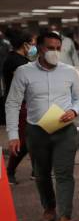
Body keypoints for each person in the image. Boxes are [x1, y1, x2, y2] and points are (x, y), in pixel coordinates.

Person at [5, 31, 79, 221]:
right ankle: (49, 207)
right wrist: (14, 135)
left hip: (64, 131)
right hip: (36, 131)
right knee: (41, 174)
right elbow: (12, 103)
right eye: (50, 48)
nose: (55, 52)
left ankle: (65, 215)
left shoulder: (69, 72)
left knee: (64, 173)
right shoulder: (24, 72)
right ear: (39, 48)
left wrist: (73, 110)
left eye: (58, 48)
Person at [2, 29, 36, 184]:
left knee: (35, 139)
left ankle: (37, 171)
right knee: (23, 141)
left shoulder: (20, 59)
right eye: (33, 43)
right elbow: (25, 83)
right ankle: (9, 171)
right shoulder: (16, 61)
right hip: (19, 106)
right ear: (25, 44)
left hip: (27, 104)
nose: (34, 46)